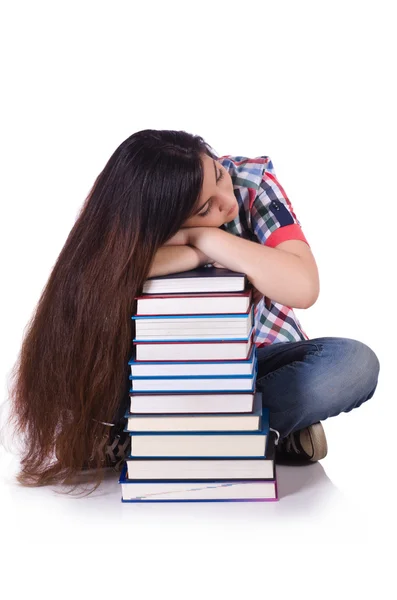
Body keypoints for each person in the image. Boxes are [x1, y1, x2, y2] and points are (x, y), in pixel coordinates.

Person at [5, 129, 380, 494]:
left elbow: (303, 285)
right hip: (159, 379)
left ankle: (154, 442)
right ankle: (258, 435)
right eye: (205, 209)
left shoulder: (250, 181)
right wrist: (192, 252)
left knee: (352, 364)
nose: (226, 201)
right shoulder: (128, 209)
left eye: (217, 174)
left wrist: (208, 237)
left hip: (257, 363)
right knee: (86, 380)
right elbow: (97, 274)